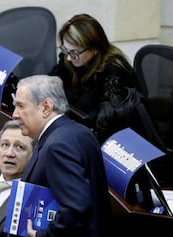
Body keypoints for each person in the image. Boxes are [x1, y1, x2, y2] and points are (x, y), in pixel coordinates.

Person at [10, 75, 111, 237]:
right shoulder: (79, 132)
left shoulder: (57, 145)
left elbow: (77, 206)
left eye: (21, 106)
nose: (14, 114)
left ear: (46, 107)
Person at [49, 13, 148, 144]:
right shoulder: (70, 59)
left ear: (95, 48)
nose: (68, 57)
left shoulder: (114, 70)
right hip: (72, 128)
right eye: (65, 50)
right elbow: (51, 86)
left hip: (108, 139)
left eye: (75, 52)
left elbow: (106, 120)